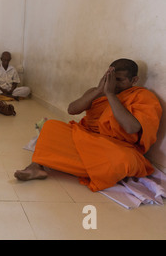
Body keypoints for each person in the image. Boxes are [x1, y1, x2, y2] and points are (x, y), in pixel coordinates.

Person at [14, 59, 163, 192]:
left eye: (119, 80)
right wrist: (99, 90)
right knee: (51, 126)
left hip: (115, 146)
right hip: (85, 135)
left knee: (123, 161)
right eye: (110, 79)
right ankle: (36, 167)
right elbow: (72, 109)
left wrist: (110, 95)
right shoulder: (97, 91)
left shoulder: (143, 97)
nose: (113, 84)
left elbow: (131, 128)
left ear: (134, 80)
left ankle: (72, 163)